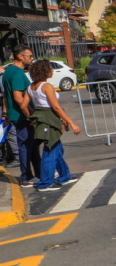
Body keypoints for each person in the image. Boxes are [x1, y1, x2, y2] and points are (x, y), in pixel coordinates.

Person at [26, 59, 79, 191]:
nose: (52, 70)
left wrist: (32, 116)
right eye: (50, 68)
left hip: (42, 119)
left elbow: (23, 105)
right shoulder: (46, 86)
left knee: (57, 148)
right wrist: (72, 123)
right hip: (50, 119)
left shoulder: (31, 87)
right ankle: (46, 183)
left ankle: (64, 176)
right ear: (44, 71)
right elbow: (55, 107)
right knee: (50, 151)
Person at [1, 44, 41, 187]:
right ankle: (26, 177)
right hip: (22, 116)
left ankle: (39, 173)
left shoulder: (8, 71)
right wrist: (31, 114)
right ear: (20, 56)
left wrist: (5, 113)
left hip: (16, 114)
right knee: (25, 146)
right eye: (29, 56)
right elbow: (18, 98)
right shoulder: (17, 73)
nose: (32, 58)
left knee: (32, 145)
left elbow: (6, 95)